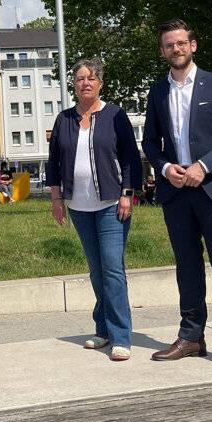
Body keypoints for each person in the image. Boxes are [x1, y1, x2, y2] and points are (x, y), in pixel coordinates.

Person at [142, 19, 212, 376]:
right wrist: (163, 168)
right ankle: (191, 336)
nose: (175, 49)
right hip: (176, 194)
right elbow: (149, 144)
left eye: (181, 43)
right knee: (187, 268)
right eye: (169, 45)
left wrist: (204, 165)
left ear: (193, 45)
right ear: (163, 52)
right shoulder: (157, 93)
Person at [47, 58, 142, 362]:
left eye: (91, 78)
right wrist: (56, 198)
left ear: (100, 83)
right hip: (78, 205)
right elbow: (54, 163)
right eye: (79, 78)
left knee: (113, 268)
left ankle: (121, 335)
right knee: (96, 270)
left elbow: (130, 158)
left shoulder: (114, 115)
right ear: (73, 85)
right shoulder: (64, 119)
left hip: (112, 203)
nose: (85, 83)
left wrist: (128, 194)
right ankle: (102, 329)